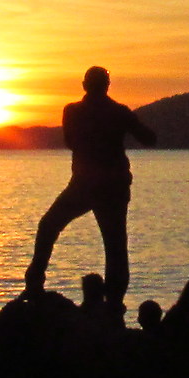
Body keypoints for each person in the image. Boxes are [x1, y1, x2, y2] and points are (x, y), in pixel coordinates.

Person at [23, 66, 158, 303]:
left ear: (85, 86)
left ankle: (35, 284)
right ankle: (114, 303)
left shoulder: (75, 111)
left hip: (87, 185)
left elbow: (70, 142)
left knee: (49, 226)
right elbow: (149, 139)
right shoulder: (118, 112)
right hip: (107, 186)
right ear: (106, 86)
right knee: (115, 245)